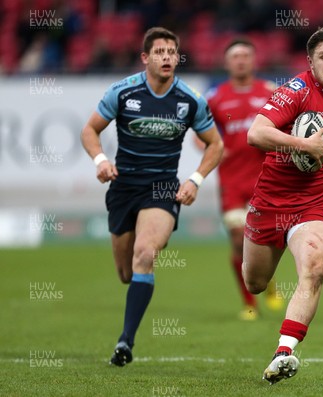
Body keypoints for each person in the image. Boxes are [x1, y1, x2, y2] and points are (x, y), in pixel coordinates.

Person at [80, 27, 223, 366]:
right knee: (126, 272)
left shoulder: (190, 100)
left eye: (172, 52)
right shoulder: (123, 92)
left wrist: (196, 179)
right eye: (159, 52)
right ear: (145, 58)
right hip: (123, 186)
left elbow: (216, 144)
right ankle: (133, 293)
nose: (167, 58)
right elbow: (90, 130)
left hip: (162, 188)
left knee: (145, 253)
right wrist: (101, 160)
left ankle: (125, 342)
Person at [243, 24, 323, 384]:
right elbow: (256, 133)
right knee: (254, 282)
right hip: (270, 202)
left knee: (315, 267)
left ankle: (284, 351)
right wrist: (305, 146)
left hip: (315, 204)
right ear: (310, 62)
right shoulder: (295, 91)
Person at [202, 39, 283, 320]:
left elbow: (285, 125)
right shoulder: (215, 97)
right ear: (226, 63)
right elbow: (202, 134)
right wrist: (211, 150)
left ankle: (266, 280)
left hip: (267, 178)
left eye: (245, 56)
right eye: (235, 56)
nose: (240, 61)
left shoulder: (271, 92)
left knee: (269, 238)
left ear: (254, 60)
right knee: (238, 240)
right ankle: (249, 302)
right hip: (232, 182)